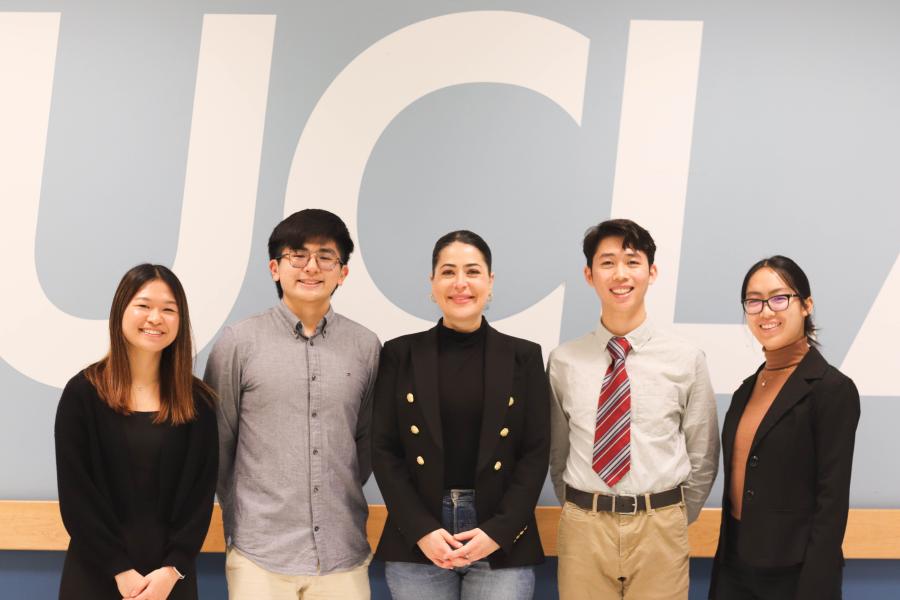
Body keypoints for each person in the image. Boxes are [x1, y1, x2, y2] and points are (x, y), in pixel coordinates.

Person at [204, 209, 380, 599]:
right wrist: (242, 521)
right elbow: (217, 445)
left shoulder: (366, 347)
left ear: (343, 272)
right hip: (259, 555)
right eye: (297, 255)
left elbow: (365, 444)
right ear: (274, 268)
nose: (311, 267)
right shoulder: (239, 343)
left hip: (342, 554)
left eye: (326, 256)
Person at [371, 230, 550, 600]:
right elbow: (384, 450)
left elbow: (535, 453)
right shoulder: (399, 354)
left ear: (490, 281)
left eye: (472, 271)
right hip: (418, 538)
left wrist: (498, 531)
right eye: (448, 271)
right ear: (432, 283)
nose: (460, 283)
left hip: (501, 537)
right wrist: (420, 528)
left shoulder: (524, 357)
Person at [548, 218, 720, 600]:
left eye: (632, 261)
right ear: (589, 274)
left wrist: (670, 515)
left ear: (651, 271)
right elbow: (557, 455)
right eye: (607, 262)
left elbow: (703, 454)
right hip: (584, 527)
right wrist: (585, 510)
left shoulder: (686, 359)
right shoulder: (564, 361)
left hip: (659, 526)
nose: (620, 274)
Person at [55, 264, 218, 600]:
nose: (155, 318)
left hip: (170, 580)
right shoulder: (83, 393)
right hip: (95, 571)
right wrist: (121, 570)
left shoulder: (197, 400)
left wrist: (173, 570)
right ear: (120, 312)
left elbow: (200, 497)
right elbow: (76, 496)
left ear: (180, 321)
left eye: (168, 309)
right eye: (143, 305)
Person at [709, 256, 860, 600]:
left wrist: (816, 585)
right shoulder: (745, 390)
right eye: (754, 301)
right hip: (735, 569)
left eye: (779, 298)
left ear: (806, 305)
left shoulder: (831, 389)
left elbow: (831, 501)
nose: (766, 311)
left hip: (796, 576)